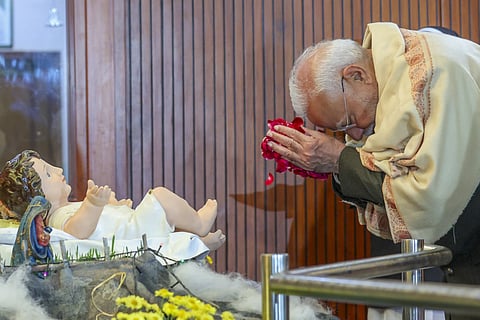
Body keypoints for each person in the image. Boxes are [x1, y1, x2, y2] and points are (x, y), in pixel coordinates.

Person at [264, 22, 480, 319]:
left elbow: (429, 199)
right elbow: (393, 177)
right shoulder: (393, 77)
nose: (354, 135)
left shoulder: (434, 74)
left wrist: (340, 158)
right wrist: (339, 161)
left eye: (348, 121)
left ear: (356, 75)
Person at [0, 150, 226, 251]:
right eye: (49, 174)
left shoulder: (68, 208)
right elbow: (77, 231)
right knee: (159, 195)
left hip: (131, 226)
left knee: (162, 208)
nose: (59, 169)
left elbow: (97, 223)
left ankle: (197, 239)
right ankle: (198, 224)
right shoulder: (57, 218)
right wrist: (93, 204)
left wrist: (112, 207)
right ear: (38, 198)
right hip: (134, 232)